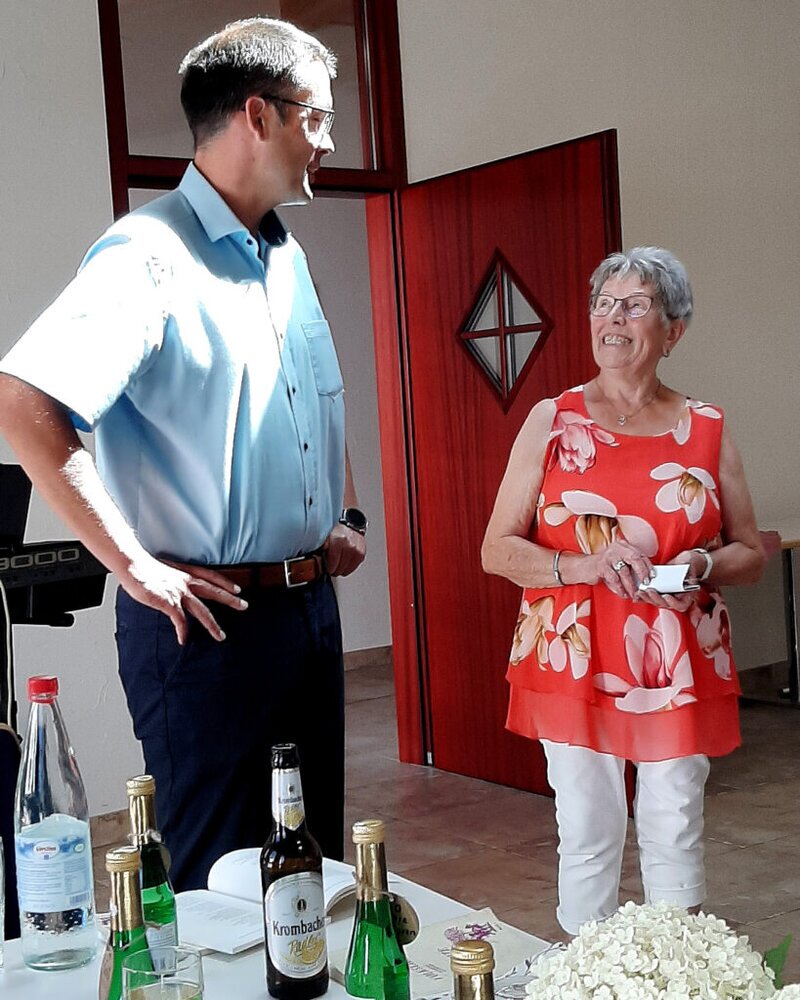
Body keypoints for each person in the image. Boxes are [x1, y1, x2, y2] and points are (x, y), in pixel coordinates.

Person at [0, 17, 366, 890]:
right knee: (222, 881)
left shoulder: (286, 258)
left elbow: (315, 404)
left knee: (307, 865)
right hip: (206, 626)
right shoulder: (149, 254)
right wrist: (133, 566)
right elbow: (24, 401)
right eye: (317, 117)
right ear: (257, 115)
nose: (328, 140)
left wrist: (344, 515)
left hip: (308, 613)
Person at [481, 247, 765, 935]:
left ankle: (676, 969)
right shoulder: (552, 420)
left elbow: (752, 553)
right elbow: (497, 549)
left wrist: (701, 565)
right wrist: (586, 565)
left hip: (676, 661)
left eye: (635, 305)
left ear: (673, 331)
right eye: (603, 304)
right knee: (587, 830)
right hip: (572, 655)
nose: (613, 319)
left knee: (675, 827)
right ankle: (589, 974)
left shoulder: (707, 427)